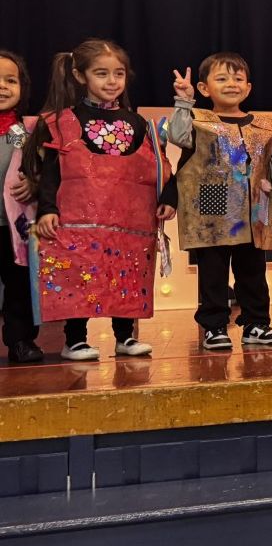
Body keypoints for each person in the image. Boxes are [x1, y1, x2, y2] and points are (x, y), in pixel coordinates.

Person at [25, 39, 177, 360]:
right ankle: (75, 340)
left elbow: (159, 166)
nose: (112, 81)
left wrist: (169, 197)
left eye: (118, 73)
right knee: (79, 274)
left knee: (128, 273)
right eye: (101, 73)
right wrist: (48, 209)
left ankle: (125, 336)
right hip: (79, 221)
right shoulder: (63, 122)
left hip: (129, 222)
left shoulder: (138, 123)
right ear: (80, 76)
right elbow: (51, 171)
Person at [167, 53, 272, 350]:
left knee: (253, 270)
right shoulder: (199, 121)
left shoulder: (263, 125)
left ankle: (256, 323)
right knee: (213, 270)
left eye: (238, 79)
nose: (231, 84)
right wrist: (184, 102)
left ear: (248, 88)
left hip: (255, 206)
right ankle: (214, 326)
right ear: (204, 88)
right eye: (222, 78)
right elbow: (177, 136)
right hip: (213, 206)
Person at [0, 51, 43, 362]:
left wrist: (34, 184)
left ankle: (21, 341)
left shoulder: (25, 132)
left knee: (19, 287)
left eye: (10, 80)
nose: (3, 86)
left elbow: (42, 170)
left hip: (13, 227)